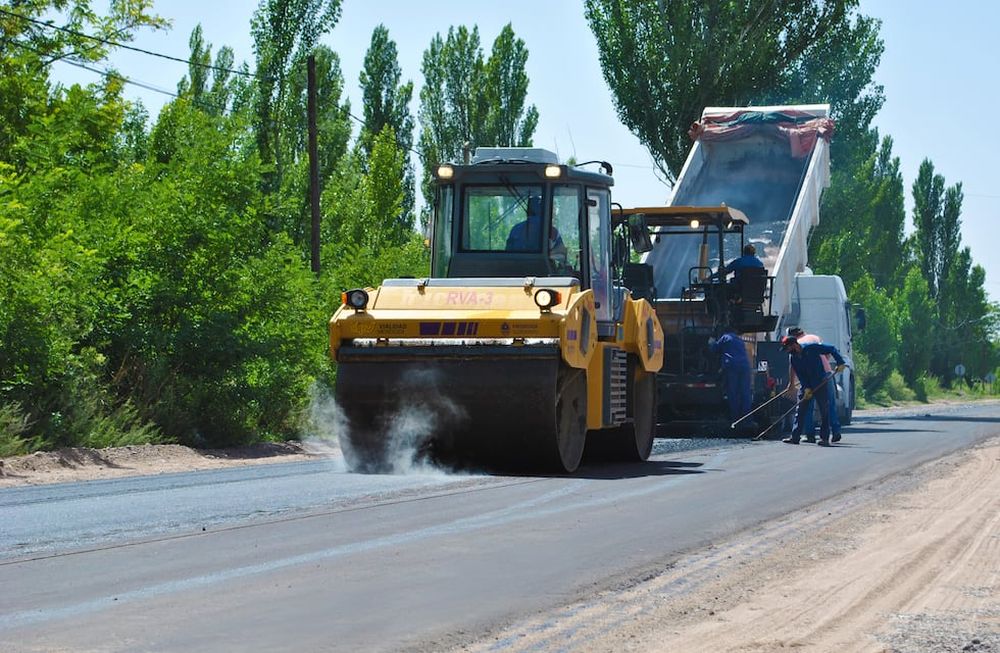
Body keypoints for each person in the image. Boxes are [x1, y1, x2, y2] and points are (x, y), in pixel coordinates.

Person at [780, 336, 846, 446]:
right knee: (800, 410)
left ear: (795, 345)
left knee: (824, 410)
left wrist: (840, 362)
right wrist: (806, 388)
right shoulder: (793, 358)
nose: (787, 351)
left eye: (788, 348)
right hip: (806, 385)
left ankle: (824, 438)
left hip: (820, 382)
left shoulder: (811, 348)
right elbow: (800, 374)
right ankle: (795, 437)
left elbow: (831, 349)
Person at [710, 329, 752, 421]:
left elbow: (714, 349)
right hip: (745, 367)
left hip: (733, 367)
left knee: (733, 392)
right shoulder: (739, 340)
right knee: (745, 392)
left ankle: (735, 418)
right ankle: (747, 418)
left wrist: (711, 341)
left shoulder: (725, 337)